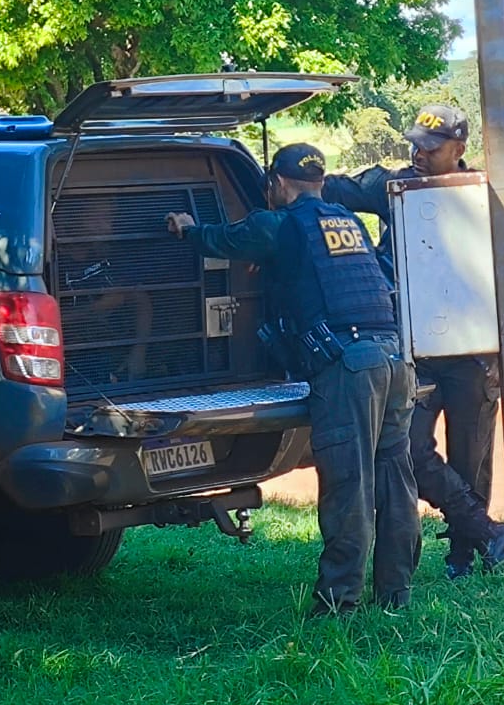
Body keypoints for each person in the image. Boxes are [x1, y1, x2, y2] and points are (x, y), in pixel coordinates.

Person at [164, 142, 419, 615]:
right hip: (396, 359)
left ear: (277, 185)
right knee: (395, 478)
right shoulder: (347, 222)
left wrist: (186, 229)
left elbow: (223, 239)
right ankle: (395, 596)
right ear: (320, 181)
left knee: (349, 483)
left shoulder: (276, 223)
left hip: (350, 369)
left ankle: (340, 603)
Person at [322, 103, 504, 580]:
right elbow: (336, 188)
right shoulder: (394, 186)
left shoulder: (485, 199)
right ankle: (485, 531)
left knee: (470, 459)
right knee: (408, 449)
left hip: (474, 356)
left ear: (459, 149)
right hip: (414, 352)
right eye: (415, 143)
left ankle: (465, 555)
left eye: (431, 147)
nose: (418, 153)